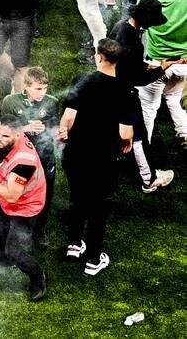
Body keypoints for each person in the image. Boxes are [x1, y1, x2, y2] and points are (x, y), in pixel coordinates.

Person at [57, 38, 133, 276]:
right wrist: (127, 144)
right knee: (99, 207)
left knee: (78, 197)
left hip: (76, 154)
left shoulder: (82, 79)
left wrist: (65, 135)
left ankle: (73, 244)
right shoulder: (124, 90)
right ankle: (93, 259)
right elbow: (124, 132)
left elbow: (68, 118)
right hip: (103, 159)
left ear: (99, 57)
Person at [108, 0, 176, 193]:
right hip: (125, 93)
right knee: (138, 136)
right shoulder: (134, 44)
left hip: (109, 88)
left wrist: (148, 66)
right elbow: (137, 78)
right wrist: (160, 69)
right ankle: (149, 179)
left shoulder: (120, 26)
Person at [0, 115, 47, 301]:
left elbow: (12, 195)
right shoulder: (3, 134)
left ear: (19, 134)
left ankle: (37, 276)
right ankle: (2, 258)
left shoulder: (24, 160)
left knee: (14, 251)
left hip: (25, 206)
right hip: (5, 199)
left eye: (5, 137)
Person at [0, 66, 58, 248]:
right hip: (19, 157)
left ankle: (40, 231)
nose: (42, 93)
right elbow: (3, 129)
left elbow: (55, 127)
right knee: (15, 191)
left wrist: (53, 130)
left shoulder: (52, 102)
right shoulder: (10, 101)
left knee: (45, 194)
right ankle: (10, 227)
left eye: (45, 88)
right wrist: (25, 128)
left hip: (45, 155)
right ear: (26, 86)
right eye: (37, 88)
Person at [137, 0, 187, 149]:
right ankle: (184, 132)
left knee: (148, 109)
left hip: (156, 64)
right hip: (183, 65)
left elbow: (138, 28)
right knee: (174, 96)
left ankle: (144, 148)